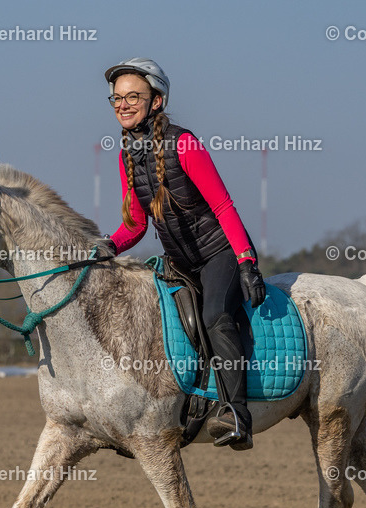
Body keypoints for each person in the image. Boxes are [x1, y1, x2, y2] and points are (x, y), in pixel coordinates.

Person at [102, 58, 265, 451]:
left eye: (133, 97)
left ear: (156, 101)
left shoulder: (184, 143)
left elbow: (223, 206)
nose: (123, 105)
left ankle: (236, 415)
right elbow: (136, 226)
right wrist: (106, 245)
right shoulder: (127, 155)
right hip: (179, 263)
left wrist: (246, 262)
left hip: (218, 254)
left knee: (214, 315)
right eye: (116, 98)